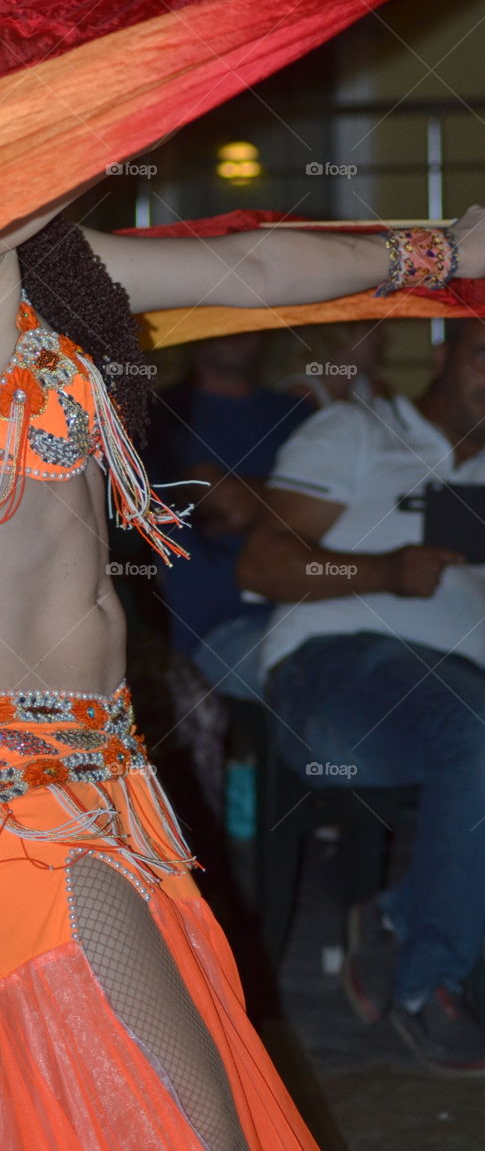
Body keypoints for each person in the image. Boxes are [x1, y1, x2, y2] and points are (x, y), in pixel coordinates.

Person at [0, 0, 485, 1151]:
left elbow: (258, 264)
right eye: (28, 24)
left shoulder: (43, 276)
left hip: (95, 762)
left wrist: (438, 251)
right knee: (179, 1125)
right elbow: (77, 104)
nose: (55, 44)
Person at [238, 317, 485, 1075]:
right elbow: (264, 565)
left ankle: (395, 919)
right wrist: (383, 572)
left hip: (462, 692)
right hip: (338, 672)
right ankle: (425, 983)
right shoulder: (354, 431)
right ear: (442, 355)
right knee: (471, 723)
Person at [145, 330, 315, 704]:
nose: (238, 332)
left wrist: (248, 495)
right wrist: (296, 501)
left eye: (250, 320)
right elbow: (227, 504)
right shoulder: (156, 417)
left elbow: (357, 506)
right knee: (321, 676)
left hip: (314, 610)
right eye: (223, 321)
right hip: (208, 633)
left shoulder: (301, 416)